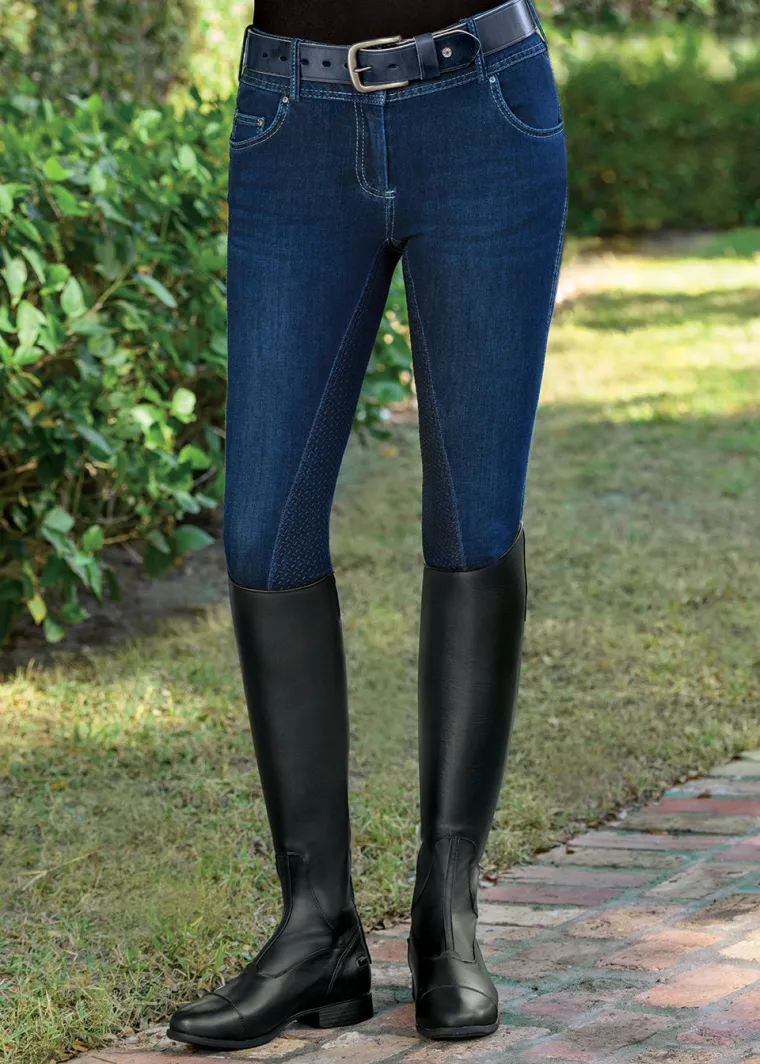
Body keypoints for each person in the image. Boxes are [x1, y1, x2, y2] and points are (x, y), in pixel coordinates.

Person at [167, 0, 567, 1049]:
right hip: (290, 123)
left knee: (474, 518)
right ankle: (318, 930)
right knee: (263, 533)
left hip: (484, 112)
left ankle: (448, 915)